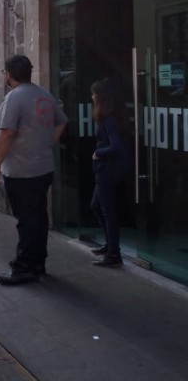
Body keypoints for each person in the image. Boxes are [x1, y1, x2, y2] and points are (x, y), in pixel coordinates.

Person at [0, 55, 67, 286]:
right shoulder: (44, 94)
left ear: (9, 74)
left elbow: (6, 133)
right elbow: (62, 121)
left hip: (21, 170)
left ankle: (24, 268)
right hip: (43, 167)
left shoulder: (14, 98)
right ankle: (37, 262)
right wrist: (46, 143)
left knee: (26, 219)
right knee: (39, 216)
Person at [89, 78, 130, 268]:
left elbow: (116, 146)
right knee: (97, 206)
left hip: (108, 169)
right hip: (108, 169)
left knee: (106, 211)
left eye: (94, 93)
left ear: (101, 97)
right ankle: (110, 246)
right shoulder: (111, 116)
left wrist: (98, 153)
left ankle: (114, 254)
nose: (92, 97)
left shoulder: (109, 118)